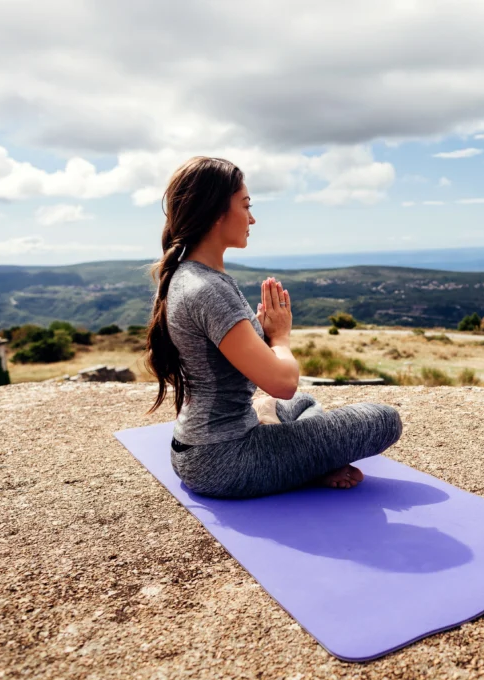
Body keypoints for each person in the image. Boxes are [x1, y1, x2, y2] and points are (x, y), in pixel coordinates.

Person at [143, 156, 403, 498]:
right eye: (245, 205)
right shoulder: (208, 289)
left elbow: (231, 360)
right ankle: (309, 463)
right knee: (384, 420)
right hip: (228, 459)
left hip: (196, 447)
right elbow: (283, 384)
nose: (252, 218)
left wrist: (260, 335)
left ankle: (284, 438)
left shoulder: (188, 276)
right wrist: (280, 337)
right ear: (215, 213)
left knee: (307, 404)